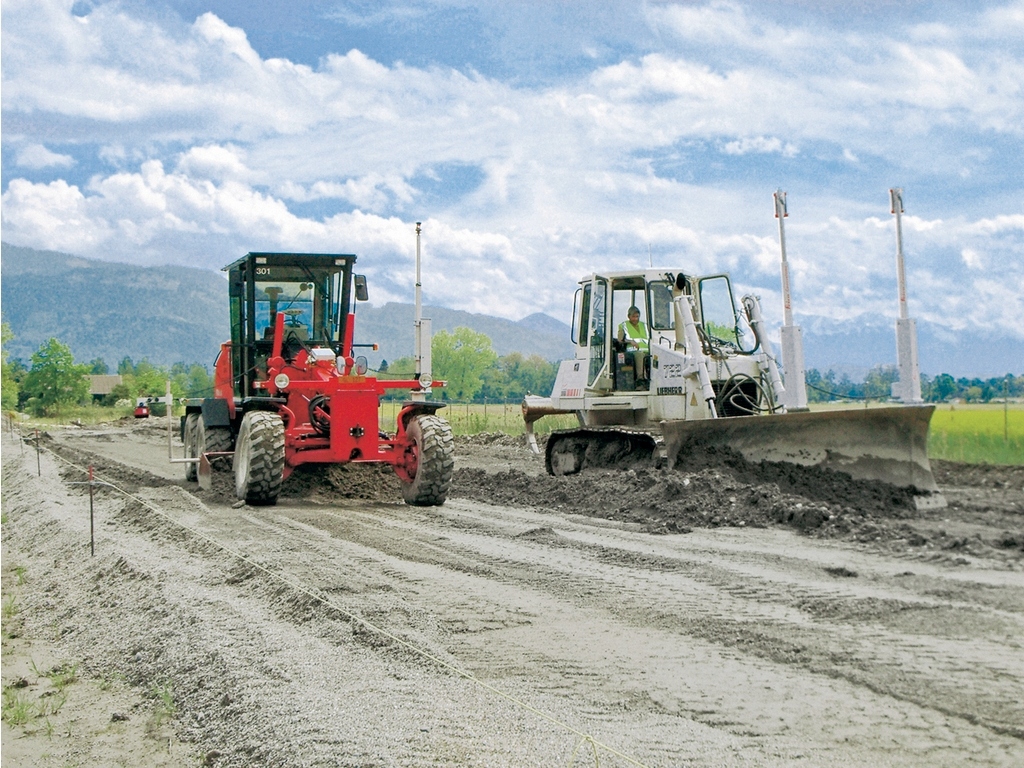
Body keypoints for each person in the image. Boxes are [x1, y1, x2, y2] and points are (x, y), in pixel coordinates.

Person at [617, 306, 649, 387]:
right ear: (629, 316)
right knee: (640, 355)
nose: (635, 319)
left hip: (647, 350)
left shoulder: (644, 325)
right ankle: (640, 380)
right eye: (633, 317)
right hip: (632, 351)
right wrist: (630, 341)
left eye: (637, 316)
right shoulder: (623, 325)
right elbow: (620, 340)